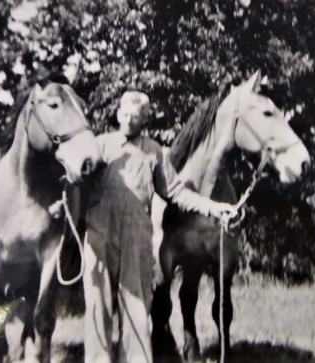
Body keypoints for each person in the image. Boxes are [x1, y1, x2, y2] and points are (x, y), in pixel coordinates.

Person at [83, 91, 236, 363]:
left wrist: (214, 207)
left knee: (137, 306)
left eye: (137, 116)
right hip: (99, 237)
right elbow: (76, 181)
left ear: (145, 120)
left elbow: (176, 192)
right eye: (126, 114)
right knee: (99, 307)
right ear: (118, 114)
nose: (129, 121)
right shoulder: (99, 146)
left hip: (136, 239)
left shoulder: (154, 151)